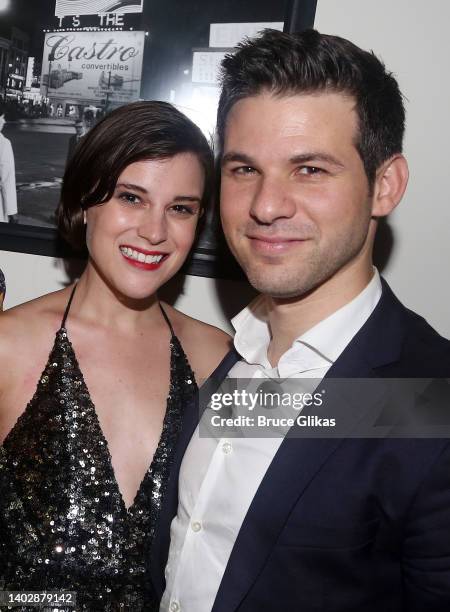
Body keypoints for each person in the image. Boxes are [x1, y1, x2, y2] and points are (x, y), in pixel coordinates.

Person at [155, 30, 450, 611]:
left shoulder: (432, 401)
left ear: (384, 186)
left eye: (309, 169)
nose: (266, 205)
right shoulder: (225, 357)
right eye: (243, 169)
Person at [0, 101, 230, 610]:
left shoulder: (217, 358)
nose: (154, 231)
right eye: (132, 197)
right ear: (86, 201)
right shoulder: (8, 347)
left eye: (181, 208)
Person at [0, 102, 18, 223]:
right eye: (2, 117)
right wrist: (12, 211)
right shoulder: (3, 144)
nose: (4, 121)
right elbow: (7, 179)